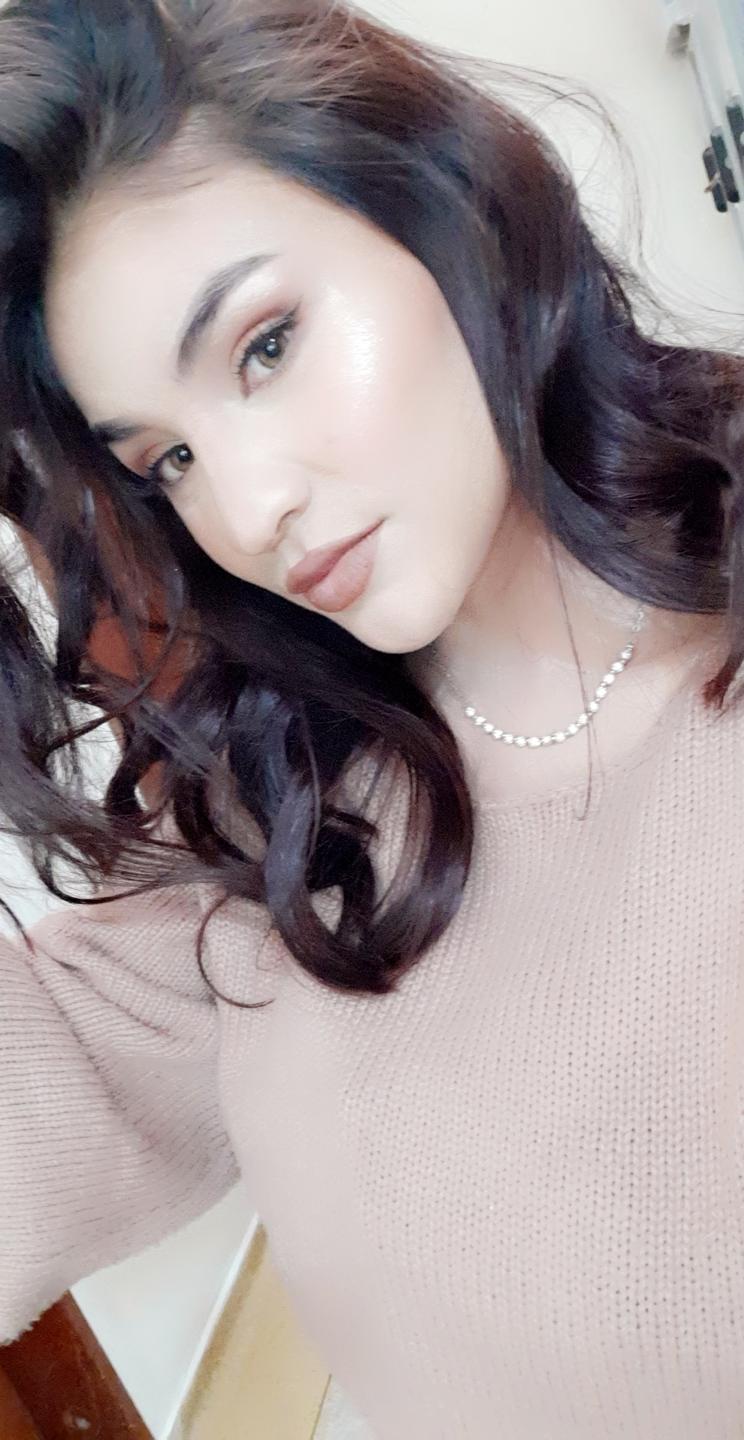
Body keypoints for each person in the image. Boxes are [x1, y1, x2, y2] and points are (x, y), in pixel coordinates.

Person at [0, 0, 742, 1434]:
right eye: (167, 462)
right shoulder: (279, 821)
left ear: (440, 207)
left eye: (266, 345)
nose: (246, 507)